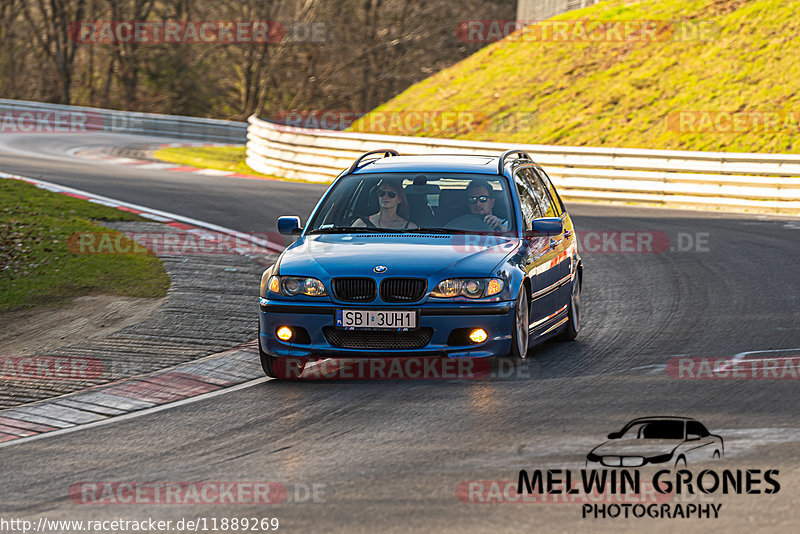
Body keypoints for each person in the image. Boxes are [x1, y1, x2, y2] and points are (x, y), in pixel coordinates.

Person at [353, 179, 418, 229]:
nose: (385, 197)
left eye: (391, 194)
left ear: (399, 199)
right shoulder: (361, 223)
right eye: (381, 193)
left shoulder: (410, 228)